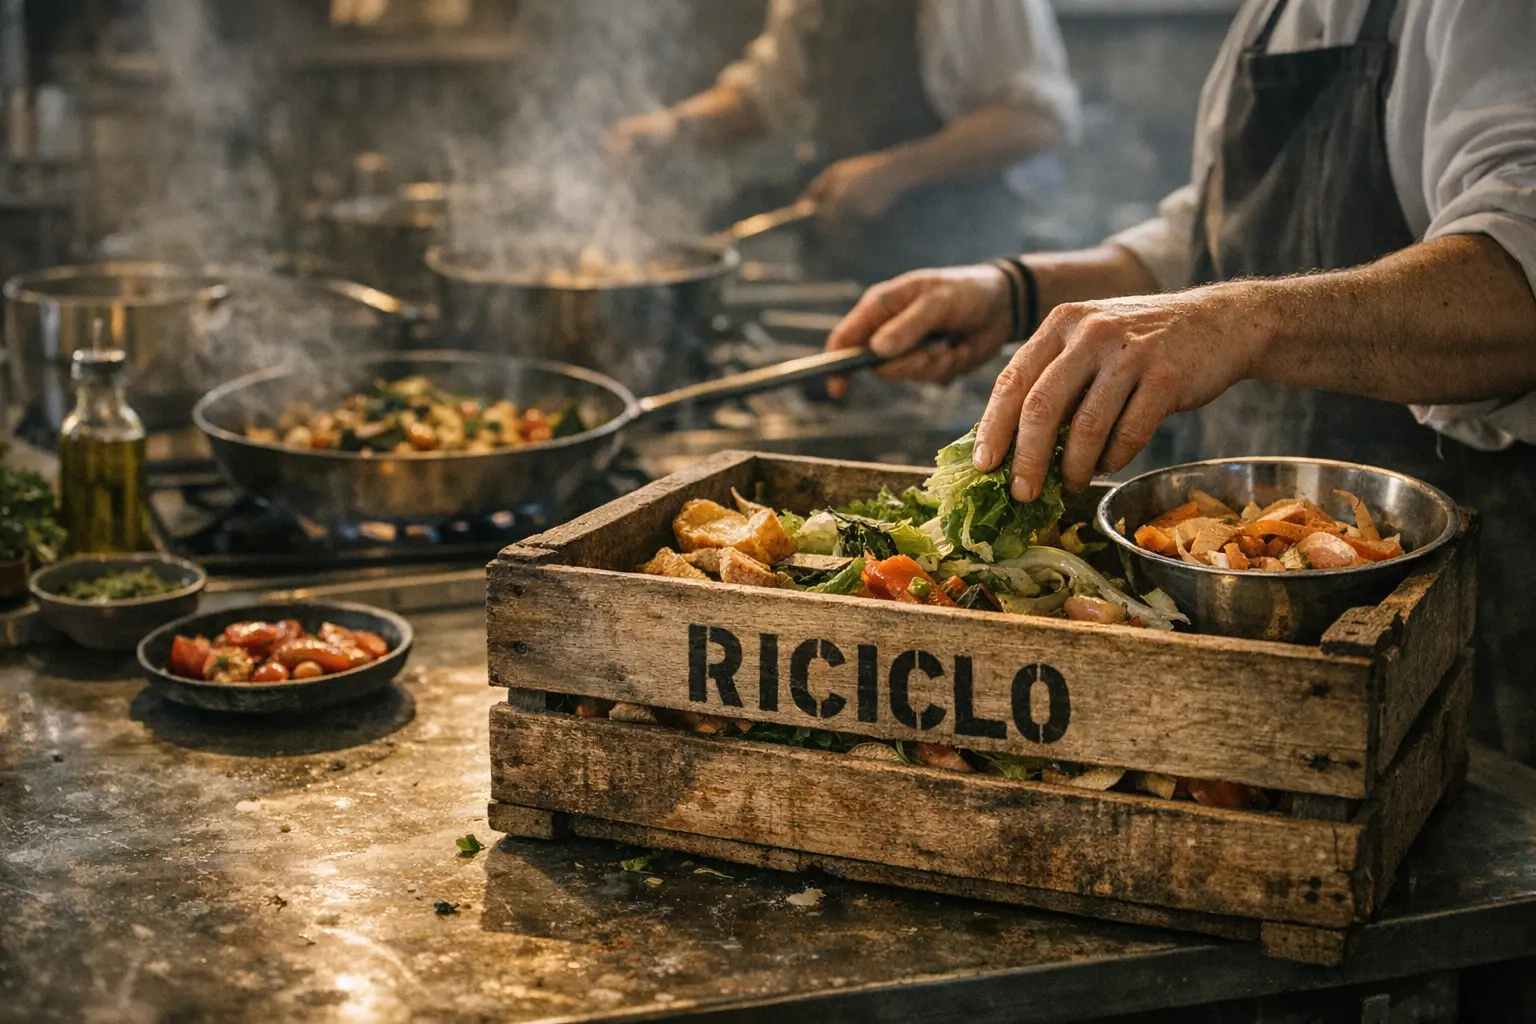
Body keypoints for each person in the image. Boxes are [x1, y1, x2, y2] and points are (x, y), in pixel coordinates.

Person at [825, 0, 1536, 761]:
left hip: (1459, 612)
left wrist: (1237, 319)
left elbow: (1520, 270)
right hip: (1227, 592)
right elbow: (1205, 238)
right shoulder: (1269, 15)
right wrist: (1016, 289)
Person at [608, 0, 1081, 283]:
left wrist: (895, 171)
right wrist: (675, 128)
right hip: (840, 260)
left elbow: (1038, 120)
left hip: (957, 266)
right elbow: (770, 93)